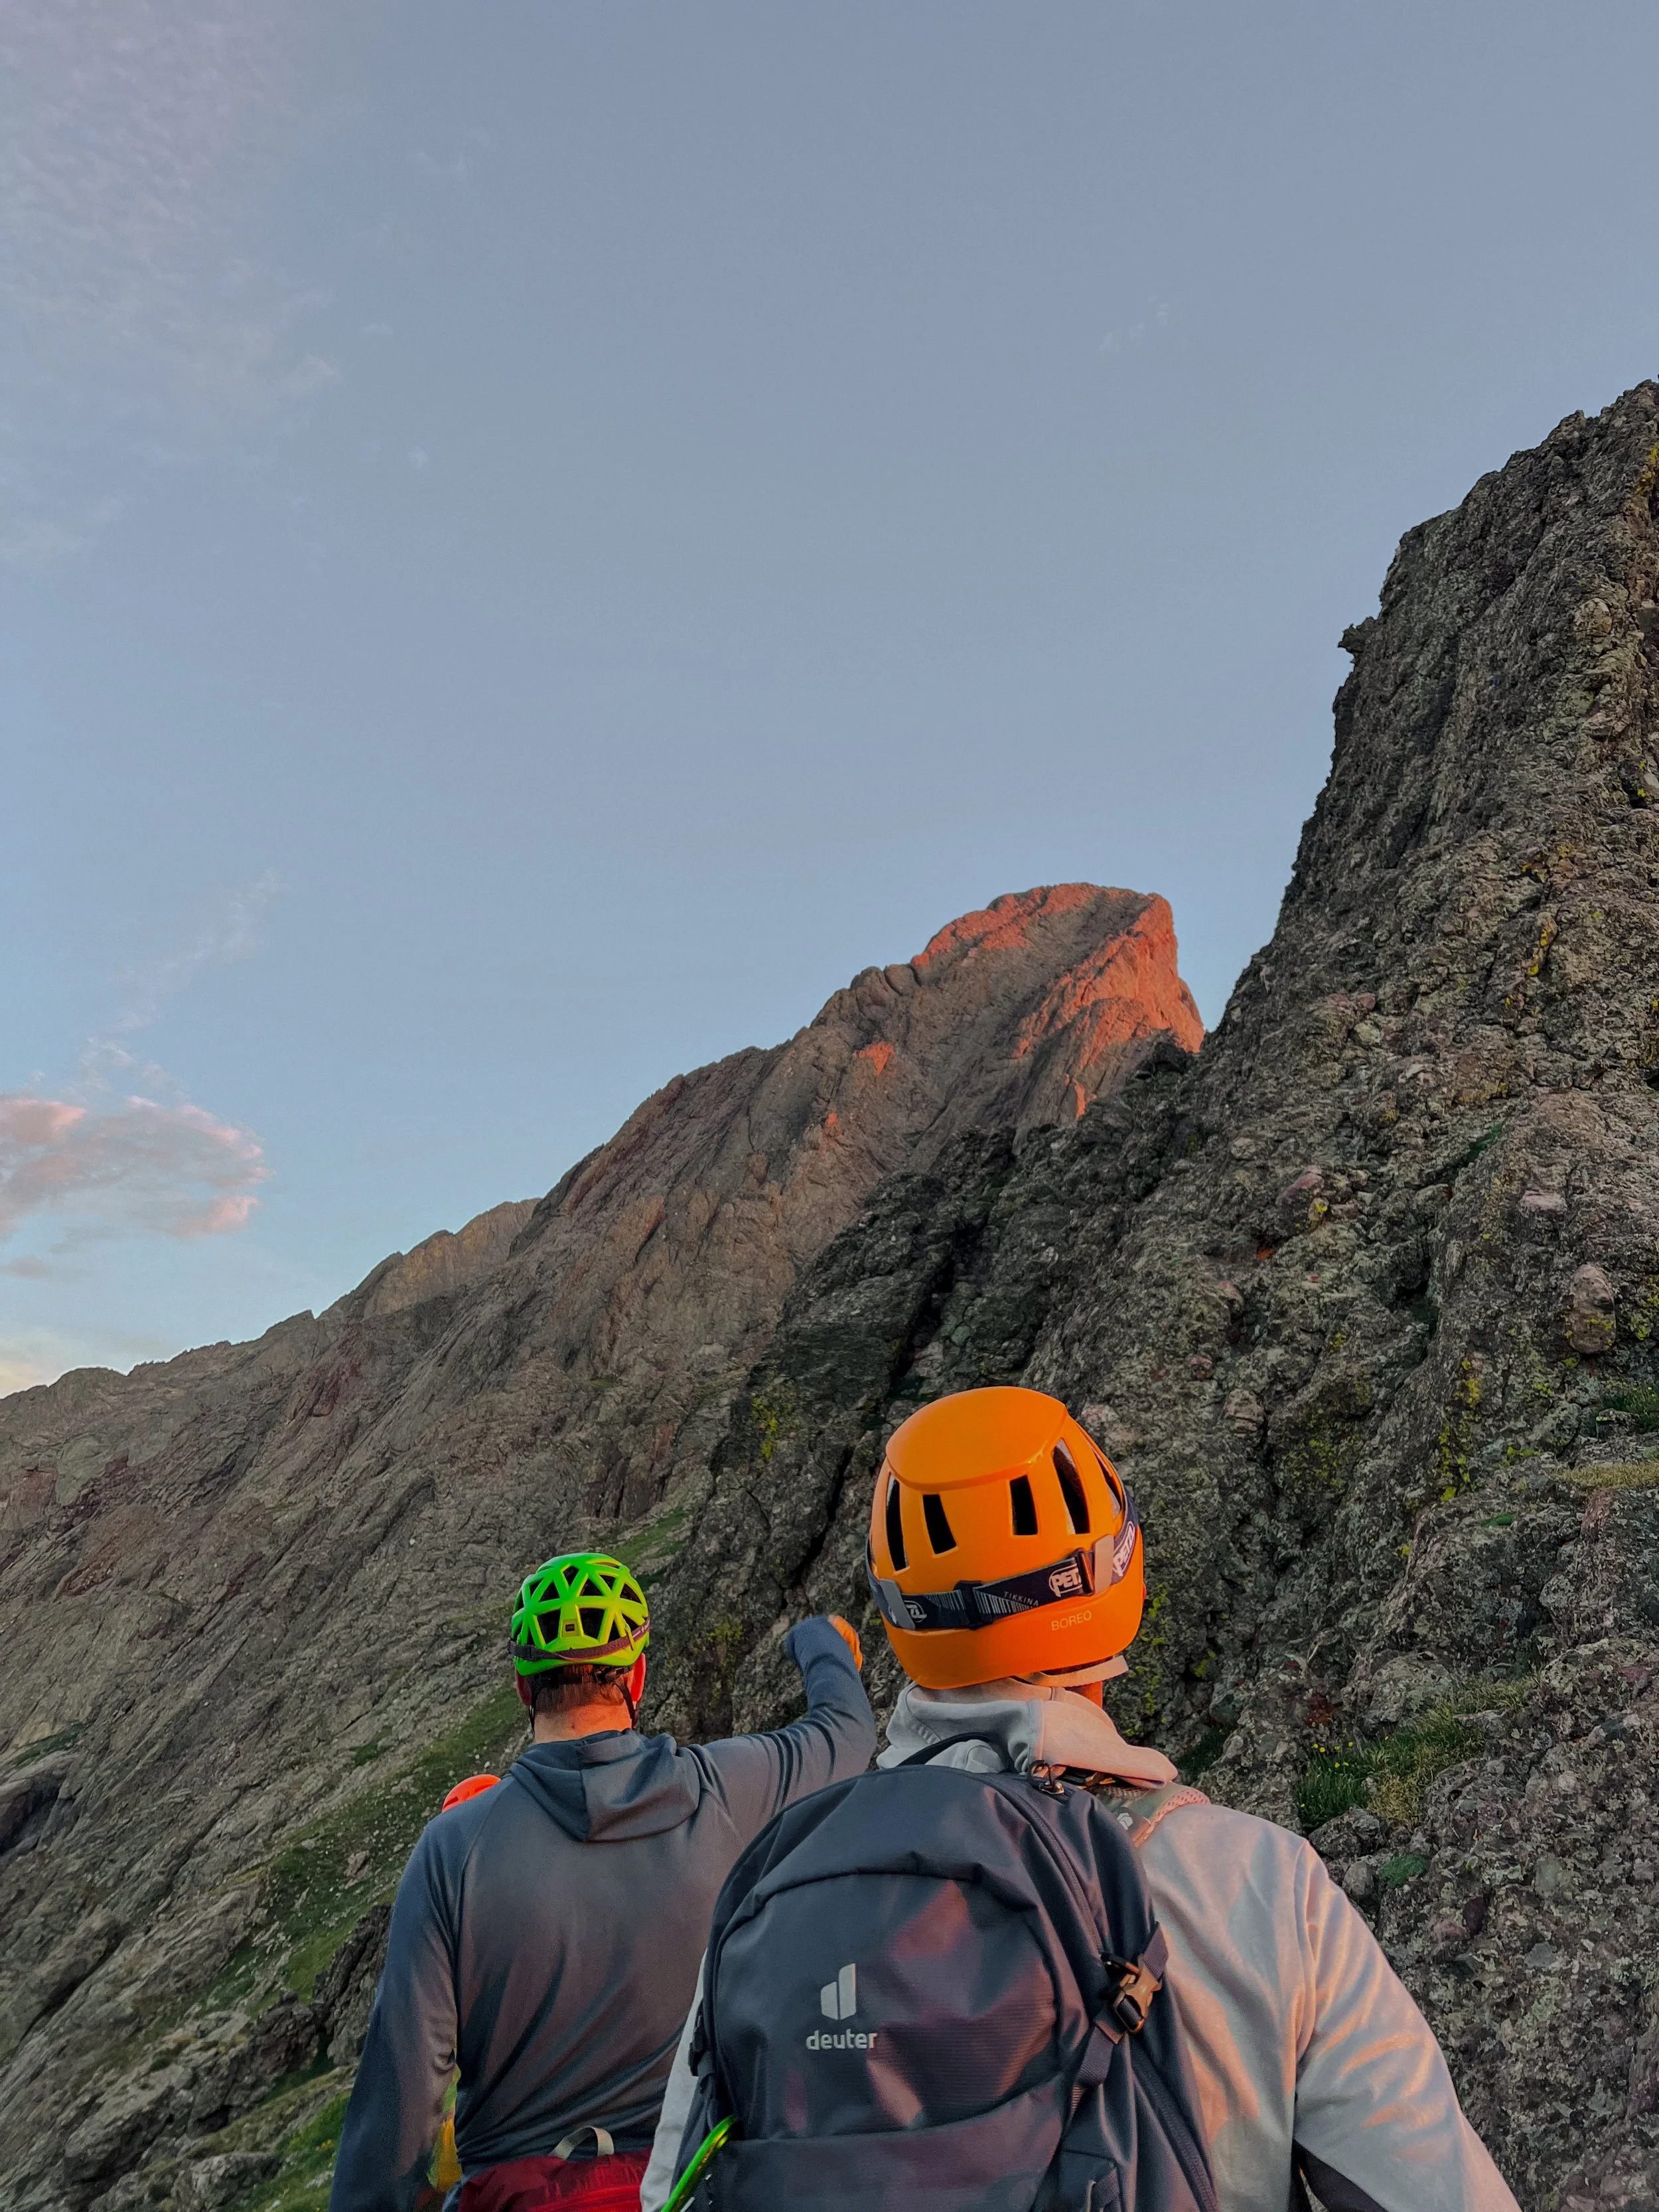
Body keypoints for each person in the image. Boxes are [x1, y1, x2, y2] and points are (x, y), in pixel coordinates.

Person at [642, 1388, 1520, 2212]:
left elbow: (674, 2187)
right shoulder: (1256, 1882)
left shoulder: (778, 1889)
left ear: (899, 1616)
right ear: (1114, 1576)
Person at [328, 1549, 875, 2212]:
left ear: (523, 1687)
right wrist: (818, 1640)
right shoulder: (728, 1789)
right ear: (636, 1675)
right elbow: (846, 1733)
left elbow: (400, 2107)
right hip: (690, 2185)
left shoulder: (452, 1849)